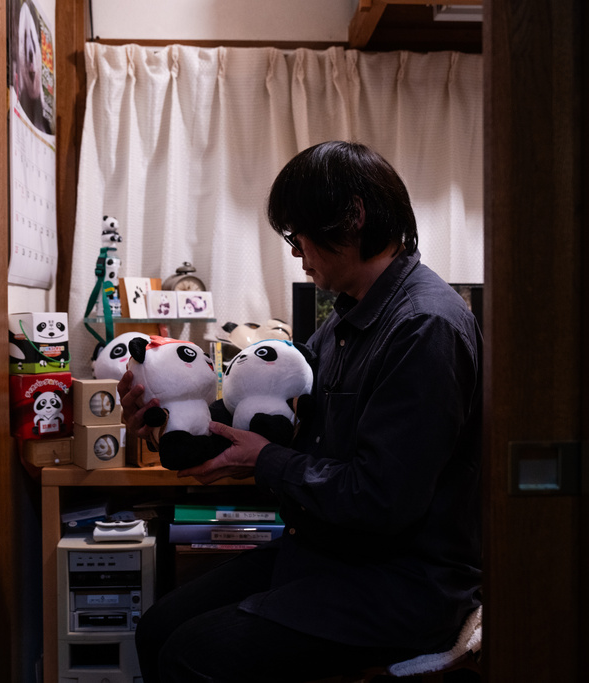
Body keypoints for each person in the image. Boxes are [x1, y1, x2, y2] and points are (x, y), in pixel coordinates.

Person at [117, 140, 482, 682]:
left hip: (402, 583)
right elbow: (263, 413)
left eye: (298, 235)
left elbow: (382, 499)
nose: (295, 253)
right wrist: (172, 420)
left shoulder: (424, 327)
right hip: (329, 557)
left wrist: (265, 461)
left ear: (353, 217)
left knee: (190, 654)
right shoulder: (345, 319)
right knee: (156, 628)